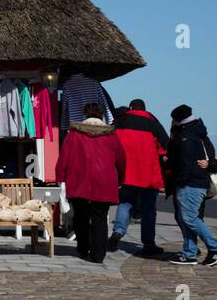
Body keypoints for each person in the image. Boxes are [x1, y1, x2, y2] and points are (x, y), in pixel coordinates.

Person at [56, 102, 126, 263]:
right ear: (102, 116)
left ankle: (82, 247)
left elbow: (64, 158)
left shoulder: (74, 134)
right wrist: (121, 179)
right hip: (104, 181)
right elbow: (121, 159)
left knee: (80, 216)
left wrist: (60, 177)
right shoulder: (111, 135)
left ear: (85, 116)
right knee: (100, 218)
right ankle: (98, 254)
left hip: (79, 180)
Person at [166, 105, 217, 266]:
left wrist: (179, 179)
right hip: (198, 181)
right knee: (185, 218)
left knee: (190, 217)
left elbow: (184, 162)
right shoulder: (200, 134)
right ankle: (189, 253)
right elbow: (212, 158)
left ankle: (216, 248)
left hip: (190, 183)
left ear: (177, 119)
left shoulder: (184, 136)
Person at [108, 99, 169, 257]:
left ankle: (117, 233)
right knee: (149, 210)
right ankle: (148, 244)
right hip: (148, 174)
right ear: (144, 109)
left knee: (124, 203)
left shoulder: (119, 122)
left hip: (125, 173)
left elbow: (110, 144)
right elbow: (165, 149)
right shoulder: (153, 123)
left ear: (130, 108)